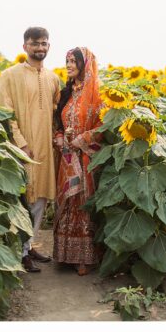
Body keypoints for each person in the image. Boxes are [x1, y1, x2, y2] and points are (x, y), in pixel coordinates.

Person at [0, 27, 60, 273]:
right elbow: (6, 113)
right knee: (24, 200)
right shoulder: (9, 76)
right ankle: (20, 252)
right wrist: (21, 143)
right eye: (36, 44)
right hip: (22, 149)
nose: (40, 48)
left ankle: (29, 245)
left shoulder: (53, 78)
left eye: (44, 43)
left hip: (45, 149)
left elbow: (55, 113)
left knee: (40, 200)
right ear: (25, 46)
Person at [53, 47, 103, 275]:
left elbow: (104, 126)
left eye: (74, 61)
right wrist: (61, 138)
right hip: (66, 158)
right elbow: (59, 124)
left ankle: (84, 258)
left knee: (83, 204)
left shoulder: (96, 93)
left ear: (85, 65)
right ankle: (64, 254)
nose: (69, 65)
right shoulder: (66, 93)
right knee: (67, 206)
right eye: (67, 61)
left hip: (86, 158)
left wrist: (82, 139)